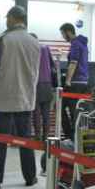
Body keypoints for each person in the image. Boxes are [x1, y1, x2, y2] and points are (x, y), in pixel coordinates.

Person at [0, 6, 40, 189]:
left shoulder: (3, 39)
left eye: (7, 18)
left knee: (0, 141)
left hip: (3, 98)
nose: (6, 21)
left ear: (12, 18)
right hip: (26, 98)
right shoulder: (34, 41)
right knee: (26, 140)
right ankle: (30, 177)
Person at [60, 22, 90, 136]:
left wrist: (67, 81)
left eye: (63, 34)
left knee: (60, 108)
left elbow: (73, 63)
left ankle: (70, 135)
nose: (63, 37)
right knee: (75, 110)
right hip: (84, 81)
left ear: (68, 32)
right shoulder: (83, 43)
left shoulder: (75, 44)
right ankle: (74, 135)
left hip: (75, 81)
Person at [34, 38, 57, 172]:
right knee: (46, 113)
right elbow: (53, 65)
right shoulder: (45, 47)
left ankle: (37, 138)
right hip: (47, 83)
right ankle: (46, 137)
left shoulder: (32, 48)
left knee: (36, 112)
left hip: (35, 83)